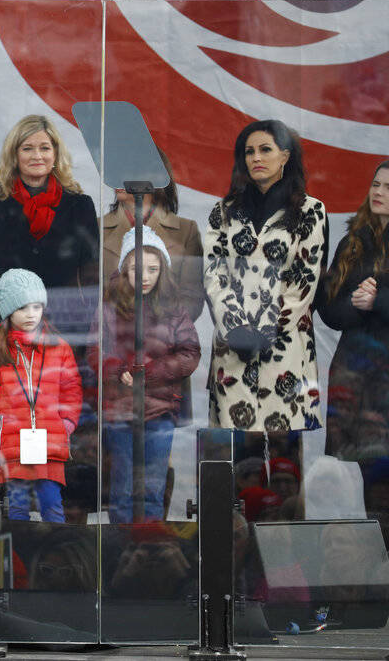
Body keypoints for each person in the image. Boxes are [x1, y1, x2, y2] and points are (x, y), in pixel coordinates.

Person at [204, 119, 327, 438]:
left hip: (284, 354)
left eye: (265, 150)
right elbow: (213, 272)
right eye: (249, 152)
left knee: (286, 470)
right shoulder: (224, 211)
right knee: (237, 464)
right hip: (232, 354)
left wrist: (262, 333)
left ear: (285, 156)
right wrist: (237, 328)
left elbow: (303, 282)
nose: (256, 157)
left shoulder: (310, 211)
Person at [89, 226, 200, 523]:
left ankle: (150, 553)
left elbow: (190, 353)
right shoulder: (109, 305)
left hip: (160, 412)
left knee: (153, 491)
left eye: (154, 269)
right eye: (138, 269)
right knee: (123, 492)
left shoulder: (174, 307)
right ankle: (121, 554)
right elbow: (95, 351)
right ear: (125, 268)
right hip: (120, 413)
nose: (146, 276)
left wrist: (148, 373)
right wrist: (119, 371)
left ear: (163, 269)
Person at [0, 268, 82, 522]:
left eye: (36, 306)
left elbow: (71, 389)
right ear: (9, 312)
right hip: (11, 443)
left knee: (52, 504)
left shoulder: (58, 346)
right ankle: (20, 559)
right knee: (18, 508)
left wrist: (66, 422)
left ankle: (57, 556)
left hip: (49, 441)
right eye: (22, 308)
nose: (31, 314)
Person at [0, 114, 98, 305]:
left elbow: (91, 273)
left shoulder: (80, 206)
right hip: (8, 318)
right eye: (27, 148)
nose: (37, 156)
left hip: (66, 319)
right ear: (14, 156)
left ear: (55, 154)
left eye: (45, 148)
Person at [317, 159, 389, 462]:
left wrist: (378, 301)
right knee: (364, 475)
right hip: (354, 372)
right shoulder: (353, 240)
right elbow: (328, 307)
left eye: (388, 187)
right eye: (376, 184)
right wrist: (357, 304)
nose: (379, 192)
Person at [100, 150, 205, 321]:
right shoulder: (97, 228)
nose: (115, 176)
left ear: (152, 175)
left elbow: (192, 299)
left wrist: (159, 332)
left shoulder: (187, 231)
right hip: (112, 340)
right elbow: (86, 295)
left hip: (165, 342)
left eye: (126, 170)